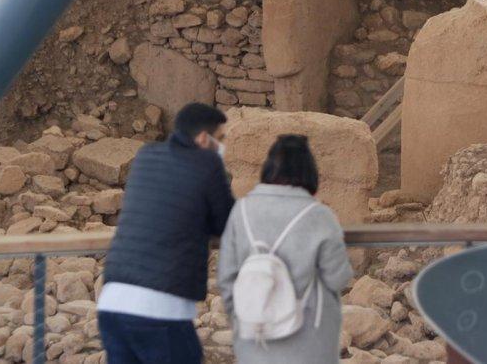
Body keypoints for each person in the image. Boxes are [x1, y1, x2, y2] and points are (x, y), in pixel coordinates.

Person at [97, 103, 234, 364]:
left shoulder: (146, 155)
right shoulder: (206, 162)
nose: (223, 146)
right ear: (204, 139)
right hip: (159, 310)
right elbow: (226, 224)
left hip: (112, 304)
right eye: (221, 139)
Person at [218, 134, 353, 364]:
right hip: (309, 345)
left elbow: (226, 277)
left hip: (254, 341)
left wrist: (246, 318)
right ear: (309, 174)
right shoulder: (320, 216)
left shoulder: (241, 211)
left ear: (268, 171)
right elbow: (338, 279)